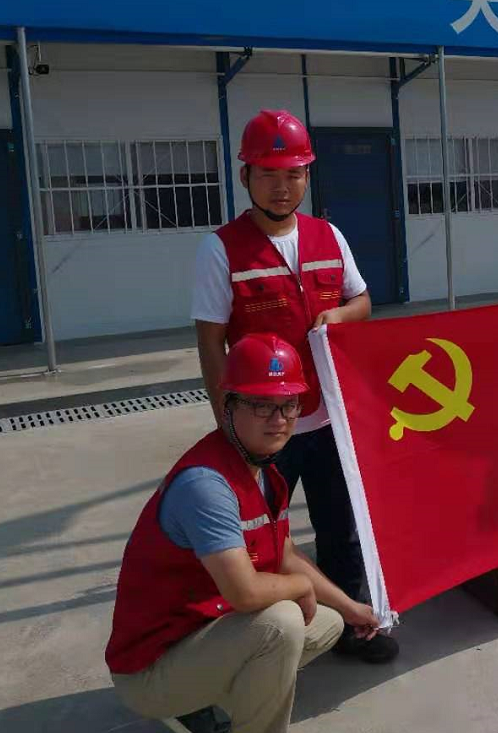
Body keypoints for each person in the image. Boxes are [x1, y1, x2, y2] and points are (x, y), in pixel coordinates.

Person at [191, 110, 396, 664]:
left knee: (341, 529)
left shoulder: (329, 236)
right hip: (262, 429)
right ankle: (263, 646)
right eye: (268, 174)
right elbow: (210, 344)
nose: (282, 186)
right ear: (245, 176)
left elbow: (362, 300)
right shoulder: (221, 249)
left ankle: (353, 628)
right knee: (258, 541)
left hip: (328, 417)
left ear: (308, 175)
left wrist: (341, 316)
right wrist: (228, 428)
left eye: (294, 174)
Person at [106, 334, 383, 733]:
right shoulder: (207, 485)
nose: (279, 419)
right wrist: (300, 587)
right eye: (261, 405)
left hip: (201, 633)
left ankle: (204, 699)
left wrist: (351, 607)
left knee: (328, 623)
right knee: (282, 622)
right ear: (228, 405)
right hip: (151, 668)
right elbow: (245, 594)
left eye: (289, 404)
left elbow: (283, 553)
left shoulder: (264, 472)